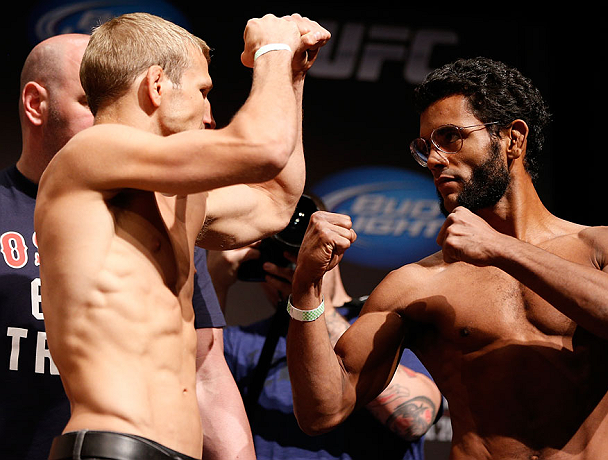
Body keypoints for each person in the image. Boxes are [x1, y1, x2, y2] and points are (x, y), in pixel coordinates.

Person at [285, 57, 608, 459]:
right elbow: (322, 411)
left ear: (513, 139)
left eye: (450, 137)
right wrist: (305, 287)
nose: (433, 160)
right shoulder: (418, 284)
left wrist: (500, 248)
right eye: (424, 147)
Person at [33, 12, 329, 460]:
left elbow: (277, 201)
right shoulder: (92, 152)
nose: (210, 114)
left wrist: (291, 74)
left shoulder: (180, 196)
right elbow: (262, 149)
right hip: (112, 448)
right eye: (203, 91)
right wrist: (273, 49)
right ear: (156, 85)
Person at [0, 33, 243, 460]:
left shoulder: (167, 214)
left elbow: (204, 371)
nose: (114, 120)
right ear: (37, 104)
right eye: (92, 103)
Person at [206, 197, 442, 460]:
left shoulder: (384, 322)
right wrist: (213, 280)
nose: (294, 261)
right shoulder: (241, 342)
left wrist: (312, 296)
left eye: (305, 247)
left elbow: (415, 419)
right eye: (274, 251)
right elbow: (189, 395)